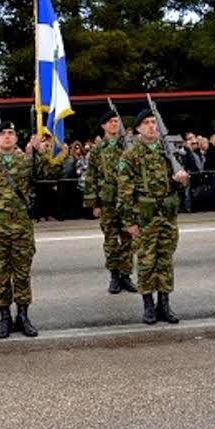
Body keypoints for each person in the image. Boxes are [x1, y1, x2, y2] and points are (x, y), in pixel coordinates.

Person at [117, 108, 189, 325]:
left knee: (165, 260)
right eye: (146, 123)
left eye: (153, 122)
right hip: (144, 217)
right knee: (147, 262)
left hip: (166, 215)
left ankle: (164, 304)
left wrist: (183, 180)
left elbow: (181, 184)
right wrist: (129, 222)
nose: (151, 126)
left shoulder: (168, 152)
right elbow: (124, 191)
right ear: (138, 128)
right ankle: (148, 305)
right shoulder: (130, 154)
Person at [0, 121, 42, 339]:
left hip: (21, 228)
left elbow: (48, 172)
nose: (7, 137)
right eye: (2, 134)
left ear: (17, 139)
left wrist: (39, 151)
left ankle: (23, 316)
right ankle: (4, 318)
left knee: (22, 274)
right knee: (1, 275)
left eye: (11, 133)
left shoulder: (27, 162)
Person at [83, 110, 136, 295]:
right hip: (107, 202)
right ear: (104, 126)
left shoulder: (128, 146)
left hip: (126, 200)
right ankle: (114, 275)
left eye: (116, 121)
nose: (115, 124)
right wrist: (94, 204)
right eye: (111, 122)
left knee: (128, 239)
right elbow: (91, 177)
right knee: (111, 241)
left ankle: (126, 275)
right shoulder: (98, 150)